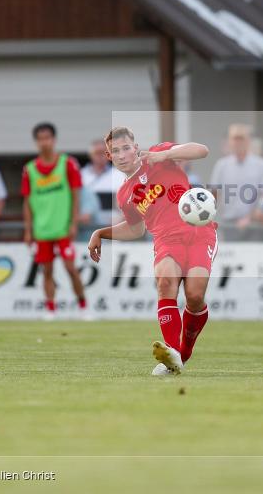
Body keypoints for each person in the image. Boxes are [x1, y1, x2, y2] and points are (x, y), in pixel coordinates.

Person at [87, 127, 215, 376]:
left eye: (126, 148)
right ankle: (172, 353)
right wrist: (100, 232)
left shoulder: (158, 155)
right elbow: (135, 230)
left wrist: (166, 155)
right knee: (166, 281)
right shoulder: (125, 195)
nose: (123, 154)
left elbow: (202, 150)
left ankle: (182, 355)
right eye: (116, 151)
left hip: (199, 232)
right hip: (167, 239)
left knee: (194, 295)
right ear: (109, 156)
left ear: (135, 148)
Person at [22, 122, 89, 320]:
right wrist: (28, 230)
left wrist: (73, 223)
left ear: (54, 140)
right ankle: (50, 309)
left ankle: (83, 306)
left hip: (63, 228)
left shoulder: (67, 164)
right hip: (42, 230)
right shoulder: (29, 169)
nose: (44, 142)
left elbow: (76, 195)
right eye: (40, 139)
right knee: (47, 270)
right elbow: (27, 202)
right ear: (36, 142)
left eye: (47, 138)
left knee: (71, 268)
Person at [208, 124, 263, 242]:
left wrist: (251, 217)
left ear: (248, 141)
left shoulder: (261, 164)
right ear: (229, 142)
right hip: (230, 225)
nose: (238, 143)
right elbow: (213, 195)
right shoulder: (221, 165)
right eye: (234, 139)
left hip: (254, 225)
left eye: (241, 139)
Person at [80, 138, 120, 227]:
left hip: (113, 226)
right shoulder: (81, 175)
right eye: (97, 153)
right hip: (87, 227)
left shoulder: (119, 175)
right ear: (90, 155)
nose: (100, 156)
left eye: (103, 152)